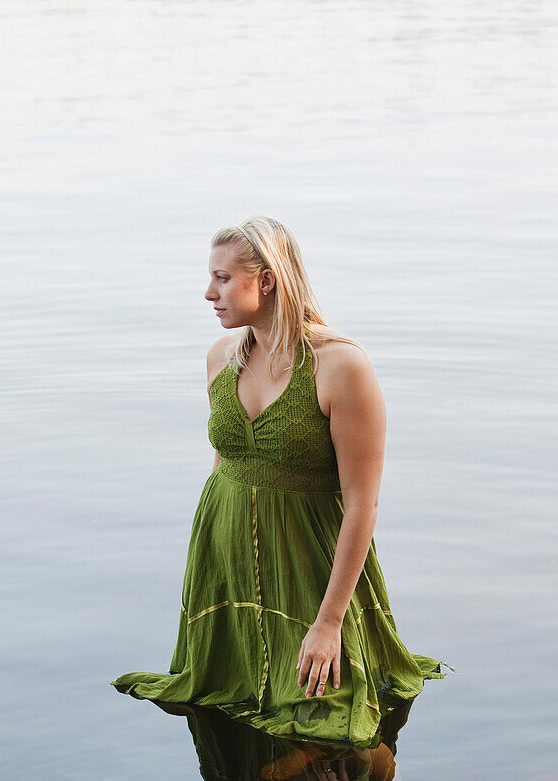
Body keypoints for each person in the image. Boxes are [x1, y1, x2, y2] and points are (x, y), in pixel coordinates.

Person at [111, 215, 447, 745]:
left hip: (308, 564)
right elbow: (225, 460)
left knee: (334, 718)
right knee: (235, 697)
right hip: (226, 557)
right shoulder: (221, 357)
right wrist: (214, 551)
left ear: (264, 280)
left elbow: (362, 504)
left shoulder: (341, 367)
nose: (208, 293)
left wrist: (330, 621)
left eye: (222, 278)